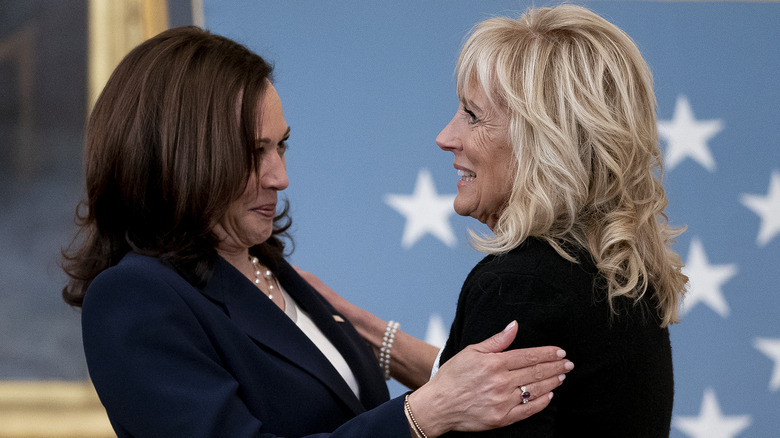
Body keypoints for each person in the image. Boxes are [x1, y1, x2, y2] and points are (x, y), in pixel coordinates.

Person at [61, 26, 574, 438]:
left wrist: (393, 352)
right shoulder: (134, 298)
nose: (280, 176)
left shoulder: (265, 266)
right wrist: (421, 415)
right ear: (180, 158)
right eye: (253, 152)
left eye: (281, 146)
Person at [304, 5, 688, 437]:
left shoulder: (521, 286)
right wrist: (376, 339)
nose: (446, 137)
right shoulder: (618, 268)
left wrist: (413, 417)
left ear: (543, 141)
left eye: (472, 115)